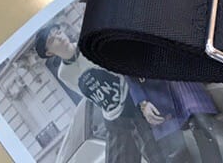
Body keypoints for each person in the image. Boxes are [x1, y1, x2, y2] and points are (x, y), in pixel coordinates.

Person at [36, 20, 166, 163]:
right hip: (113, 119)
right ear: (49, 52)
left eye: (59, 32)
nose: (60, 38)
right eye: (52, 40)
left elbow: (124, 69)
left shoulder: (90, 45)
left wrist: (142, 101)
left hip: (131, 103)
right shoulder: (64, 74)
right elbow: (90, 97)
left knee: (156, 156)